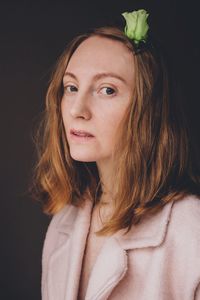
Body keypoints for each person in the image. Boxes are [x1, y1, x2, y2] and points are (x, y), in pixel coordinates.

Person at [34, 8, 200, 300]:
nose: (77, 109)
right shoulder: (65, 222)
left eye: (107, 90)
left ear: (148, 108)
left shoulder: (191, 229)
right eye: (71, 87)